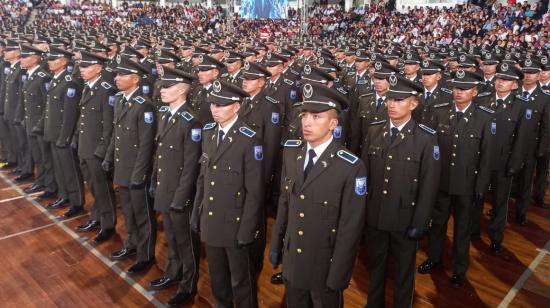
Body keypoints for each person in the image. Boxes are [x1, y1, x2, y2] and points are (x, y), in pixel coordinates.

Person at [269, 82, 366, 308]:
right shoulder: (292, 152)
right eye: (304, 115)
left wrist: (339, 274)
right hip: (294, 259)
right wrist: (276, 244)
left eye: (316, 116)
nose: (307, 122)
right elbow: (286, 203)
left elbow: (349, 228)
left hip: (324, 264)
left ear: (333, 123)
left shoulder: (350, 167)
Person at [361, 75, 440, 308]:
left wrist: (420, 221)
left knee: (403, 274)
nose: (392, 105)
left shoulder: (426, 138)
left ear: (413, 104)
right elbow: (363, 178)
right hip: (375, 216)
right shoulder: (375, 130)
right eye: (389, 99)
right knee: (375, 269)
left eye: (399, 100)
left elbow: (429, 186)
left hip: (405, 219)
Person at [418, 70, 494, 288]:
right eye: (456, 89)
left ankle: (460, 269)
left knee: (462, 230)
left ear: (475, 92)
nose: (458, 93)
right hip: (441, 183)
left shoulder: (485, 117)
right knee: (437, 225)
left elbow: (486, 157)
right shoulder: (440, 112)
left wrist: (481, 186)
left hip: (466, 185)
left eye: (464, 89)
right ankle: (434, 259)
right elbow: (431, 150)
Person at [190, 80, 263, 308]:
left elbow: (254, 192)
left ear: (237, 106)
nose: (215, 109)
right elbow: (203, 178)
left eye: (221, 105)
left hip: (235, 224)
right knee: (218, 278)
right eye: (213, 104)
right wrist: (197, 213)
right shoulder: (209, 132)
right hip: (211, 219)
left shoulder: (249, 139)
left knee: (241, 281)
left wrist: (247, 229)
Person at [148, 67, 202, 307]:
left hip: (179, 193)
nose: (162, 90)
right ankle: (172, 272)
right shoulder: (166, 114)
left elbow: (191, 166)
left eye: (168, 87)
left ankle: (188, 286)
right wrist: (154, 182)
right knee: (171, 236)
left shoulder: (191, 121)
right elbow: (159, 155)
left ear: (182, 90)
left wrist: (181, 198)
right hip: (164, 186)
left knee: (186, 242)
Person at [103, 55, 157, 275]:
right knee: (128, 212)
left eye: (122, 74)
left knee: (142, 214)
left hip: (136, 170)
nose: (117, 78)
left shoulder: (144, 106)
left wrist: (140, 173)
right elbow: (116, 134)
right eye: (116, 74)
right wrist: (108, 157)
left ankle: (145, 255)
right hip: (122, 167)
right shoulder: (121, 100)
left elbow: (146, 145)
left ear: (135, 79)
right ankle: (132, 244)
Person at [73, 51, 117, 245]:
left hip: (96, 151)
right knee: (93, 187)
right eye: (81, 66)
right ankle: (96, 217)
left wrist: (101, 151)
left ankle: (107, 225)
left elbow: (109, 126)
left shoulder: (106, 90)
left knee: (102, 189)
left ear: (99, 68)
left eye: (87, 66)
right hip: (85, 148)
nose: (82, 70)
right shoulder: (88, 87)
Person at [43, 46, 86, 218]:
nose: (49, 62)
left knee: (70, 171)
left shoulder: (70, 83)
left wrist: (65, 137)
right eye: (49, 59)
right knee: (60, 169)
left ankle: (76, 202)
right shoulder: (55, 79)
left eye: (53, 60)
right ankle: (64, 195)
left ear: (63, 62)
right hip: (54, 133)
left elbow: (70, 114)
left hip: (63, 135)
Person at [19, 44, 57, 199]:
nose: (22, 59)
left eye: (25, 56)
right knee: (37, 155)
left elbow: (46, 104)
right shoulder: (31, 75)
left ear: (35, 59)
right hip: (30, 123)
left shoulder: (43, 77)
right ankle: (40, 181)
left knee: (46, 157)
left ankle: (51, 186)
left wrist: (40, 124)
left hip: (40, 125)